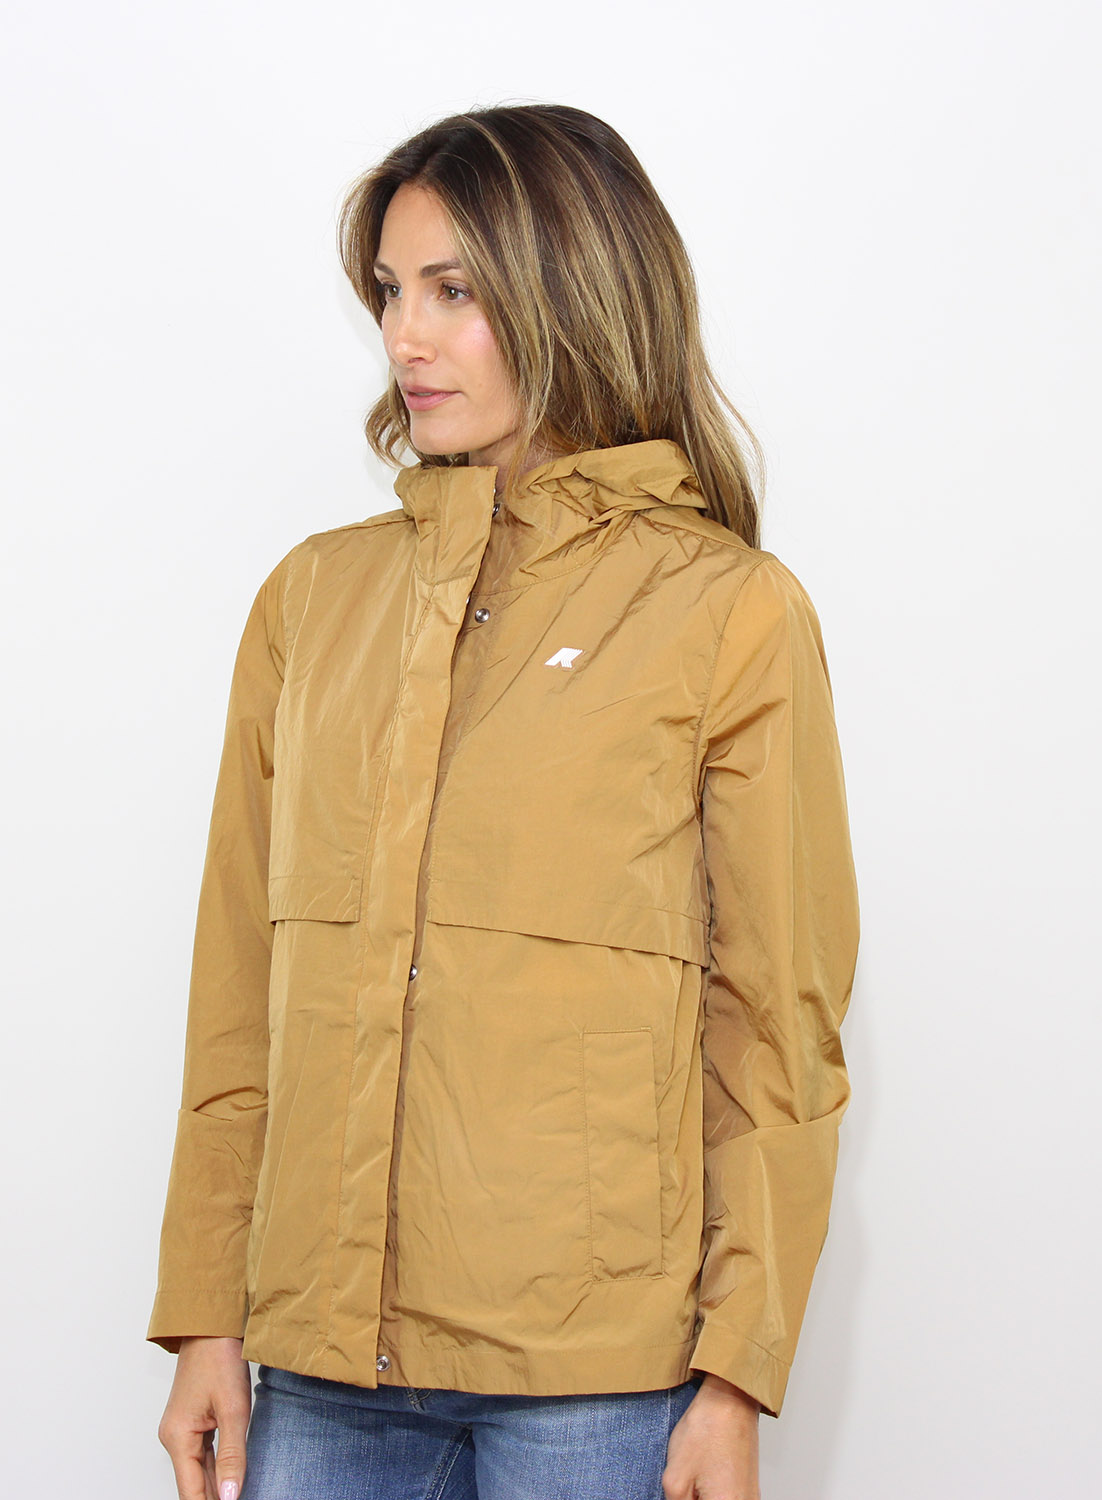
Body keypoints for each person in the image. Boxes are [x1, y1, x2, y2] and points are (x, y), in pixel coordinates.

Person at [149, 103, 860, 1500]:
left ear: (571, 292)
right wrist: (205, 1316)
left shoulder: (728, 612)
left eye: (454, 292)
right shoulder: (315, 601)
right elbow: (238, 992)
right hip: (320, 1371)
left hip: (597, 1390)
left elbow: (775, 1024)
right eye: (390, 293)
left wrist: (735, 1379)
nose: (405, 338)